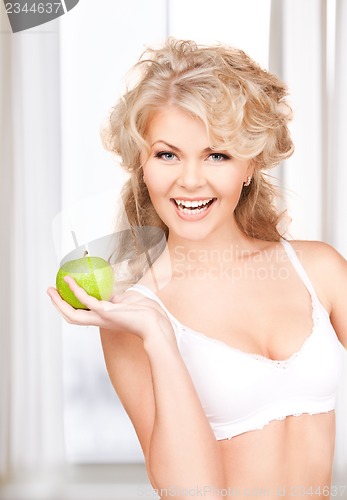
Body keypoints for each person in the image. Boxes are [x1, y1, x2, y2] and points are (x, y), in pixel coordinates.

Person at [47, 39, 347, 499]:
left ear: (250, 165)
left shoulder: (318, 269)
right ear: (142, 166)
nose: (190, 180)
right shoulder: (132, 314)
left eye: (217, 155)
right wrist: (159, 337)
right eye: (167, 154)